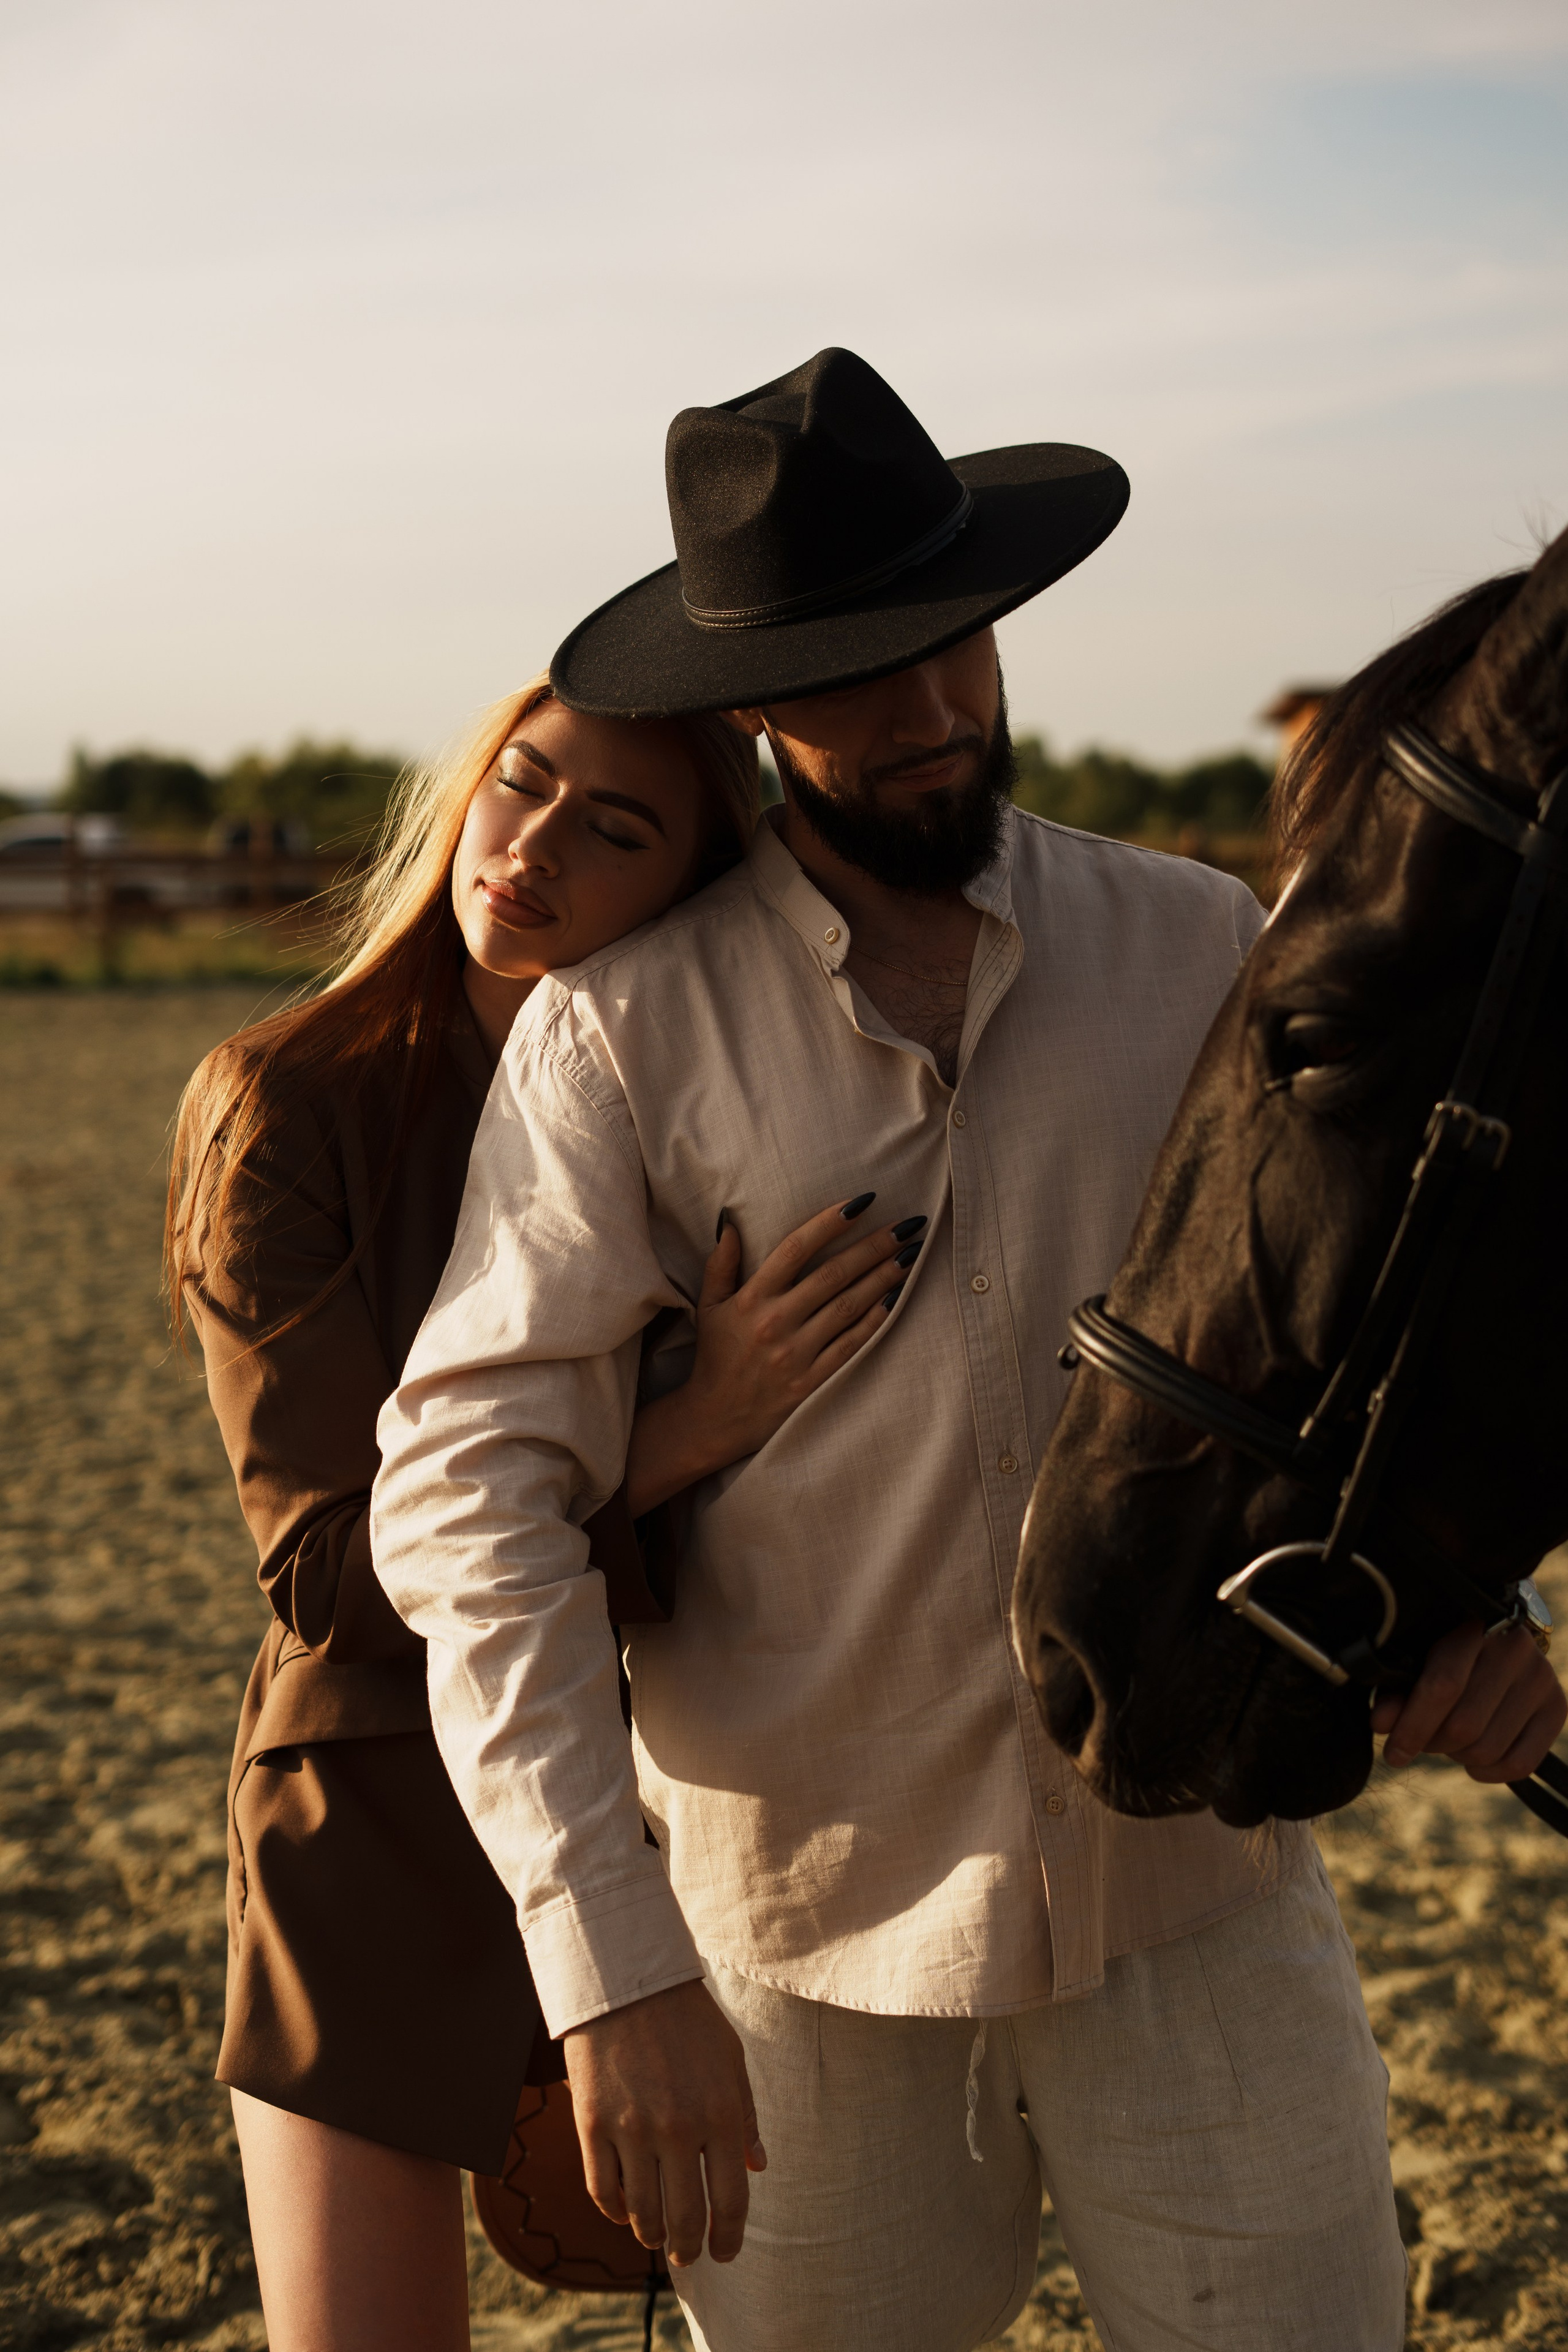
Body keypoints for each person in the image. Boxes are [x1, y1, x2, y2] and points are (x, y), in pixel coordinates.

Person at [370, 349, 1564, 2351]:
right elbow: (468, 1502)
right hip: (791, 1969)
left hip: (1207, 1912)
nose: (933, 712)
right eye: (858, 674)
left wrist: (1469, 1610)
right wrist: (609, 1962)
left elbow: (1369, 1318)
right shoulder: (624, 1041)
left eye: (959, 645)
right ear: (750, 706)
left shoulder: (1200, 945)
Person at [167, 673, 925, 2352]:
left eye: (619, 828)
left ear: (693, 890)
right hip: (374, 1808)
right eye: (522, 784)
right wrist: (682, 1427)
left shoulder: (715, 1113)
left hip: (679, 1799)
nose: (534, 846)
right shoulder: (286, 1103)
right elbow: (327, 1576)